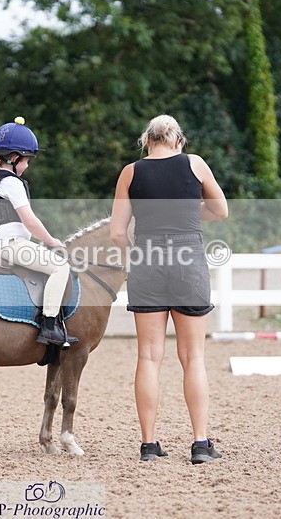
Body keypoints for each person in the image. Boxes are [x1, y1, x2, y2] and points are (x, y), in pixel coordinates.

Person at [110, 114, 228, 464]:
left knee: (148, 356)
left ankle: (149, 445)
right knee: (193, 357)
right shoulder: (195, 164)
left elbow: (118, 232)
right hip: (187, 259)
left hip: (147, 260)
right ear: (178, 141)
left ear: (147, 141)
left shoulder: (130, 172)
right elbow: (220, 210)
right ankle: (200, 444)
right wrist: (190, 215)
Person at [0, 116, 76, 347]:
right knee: (60, 267)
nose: (28, 165)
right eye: (27, 160)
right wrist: (52, 241)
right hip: (10, 245)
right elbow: (30, 221)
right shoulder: (11, 182)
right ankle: (49, 325)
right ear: (14, 158)